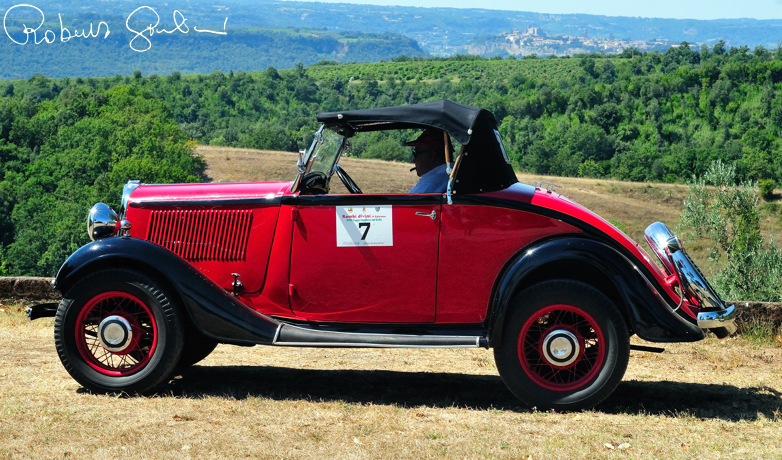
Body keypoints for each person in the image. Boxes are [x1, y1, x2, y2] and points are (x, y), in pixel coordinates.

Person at [405, 128, 453, 194]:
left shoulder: (430, 185)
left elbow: (407, 203)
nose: (414, 160)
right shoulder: (452, 175)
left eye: (416, 153)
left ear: (431, 156)